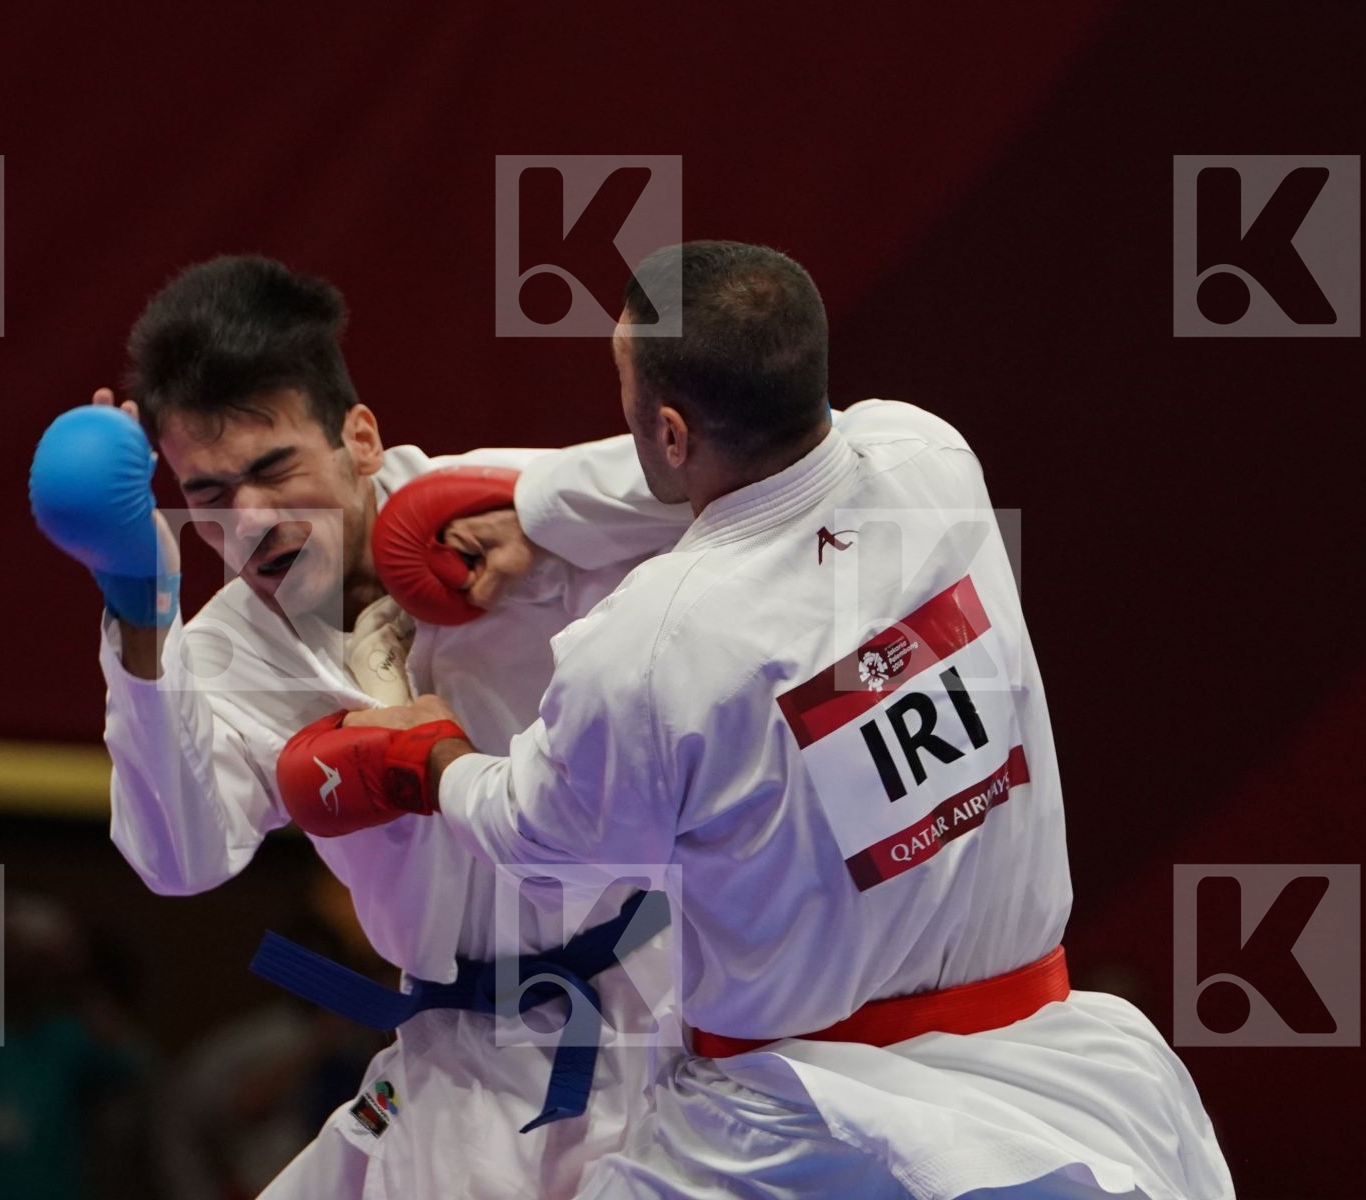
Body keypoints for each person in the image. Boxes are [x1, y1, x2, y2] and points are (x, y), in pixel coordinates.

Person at [310, 242, 1236, 1199]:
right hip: (1050, 1083)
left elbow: (542, 842)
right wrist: (538, 507)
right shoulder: (932, 454)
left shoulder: (653, 642)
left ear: (671, 432)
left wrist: (428, 756)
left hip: (788, 1136)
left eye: (625, 389)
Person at [28, 256, 691, 1200]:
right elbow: (178, 862)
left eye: (274, 469)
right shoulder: (222, 656)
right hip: (459, 1054)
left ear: (361, 438)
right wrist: (141, 607)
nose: (251, 519)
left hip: (667, 999)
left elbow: (790, 471)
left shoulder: (512, 500)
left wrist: (547, 514)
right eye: (209, 495)